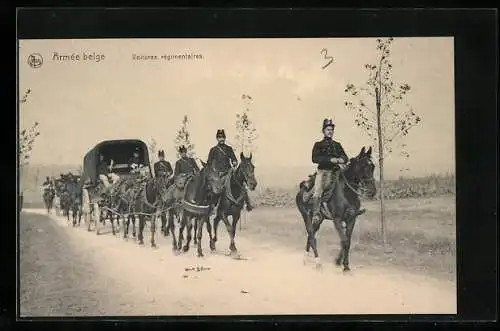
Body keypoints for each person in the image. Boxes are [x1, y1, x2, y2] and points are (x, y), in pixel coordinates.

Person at [311, 118, 349, 224]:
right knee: (318, 189)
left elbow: (345, 157)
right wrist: (330, 160)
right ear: (323, 131)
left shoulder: (337, 145)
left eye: (331, 129)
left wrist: (341, 159)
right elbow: (315, 158)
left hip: (336, 172)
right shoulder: (318, 144)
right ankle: (316, 213)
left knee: (347, 185)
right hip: (323, 171)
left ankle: (349, 209)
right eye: (328, 129)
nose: (330, 131)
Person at [206, 129, 253, 211]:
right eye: (220, 137)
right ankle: (213, 205)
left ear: (225, 138)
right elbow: (209, 162)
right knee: (215, 188)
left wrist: (234, 162)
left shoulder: (229, 149)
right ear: (217, 138)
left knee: (240, 184)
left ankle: (247, 204)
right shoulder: (213, 150)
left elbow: (233, 158)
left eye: (223, 137)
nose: (221, 139)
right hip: (218, 173)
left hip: (228, 171)